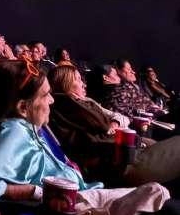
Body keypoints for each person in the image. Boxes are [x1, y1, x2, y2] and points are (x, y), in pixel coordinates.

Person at [0, 59, 168, 215]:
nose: (52, 100)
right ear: (23, 107)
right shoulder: (12, 130)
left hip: (82, 199)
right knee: (162, 203)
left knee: (159, 199)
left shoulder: (29, 127)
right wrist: (35, 192)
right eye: (46, 95)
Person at [48, 65, 180, 186]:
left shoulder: (75, 104)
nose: (84, 84)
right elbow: (103, 125)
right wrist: (86, 102)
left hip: (122, 158)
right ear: (65, 83)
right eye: (78, 79)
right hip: (122, 165)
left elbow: (112, 121)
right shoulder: (67, 104)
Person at [94, 60, 160, 118]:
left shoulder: (120, 88)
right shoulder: (116, 91)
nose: (119, 77)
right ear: (106, 77)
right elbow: (126, 113)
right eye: (116, 74)